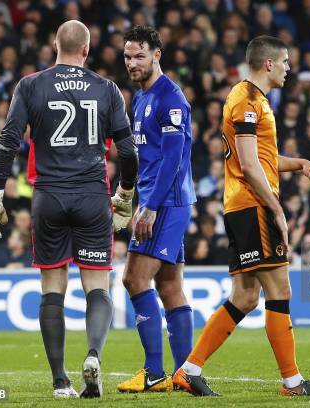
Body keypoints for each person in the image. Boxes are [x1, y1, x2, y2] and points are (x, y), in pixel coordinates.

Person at [173, 35, 310, 397]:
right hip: (253, 205)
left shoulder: (254, 100)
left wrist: (301, 164)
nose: (289, 68)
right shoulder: (247, 100)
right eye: (286, 62)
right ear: (268, 64)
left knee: (246, 296)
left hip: (242, 205)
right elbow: (248, 165)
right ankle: (293, 382)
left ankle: (190, 369)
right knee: (280, 289)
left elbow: (261, 159)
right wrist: (276, 209)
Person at [0, 20, 138, 399]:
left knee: (52, 289)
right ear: (86, 50)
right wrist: (125, 194)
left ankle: (59, 381)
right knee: (97, 286)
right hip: (91, 196)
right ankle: (93, 356)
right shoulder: (106, 89)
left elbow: (7, 141)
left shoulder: (31, 85)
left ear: (55, 45)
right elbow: (128, 151)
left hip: (48, 197)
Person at [115, 26, 196, 393]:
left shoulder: (170, 99)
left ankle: (154, 372)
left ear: (157, 55)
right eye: (128, 56)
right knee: (169, 286)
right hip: (159, 201)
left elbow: (173, 159)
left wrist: (148, 207)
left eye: (139, 56)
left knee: (133, 279)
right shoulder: (140, 98)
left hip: (165, 202)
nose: (132, 63)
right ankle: (184, 373)